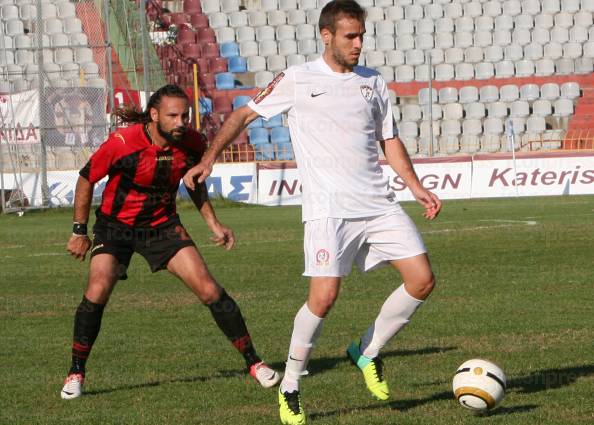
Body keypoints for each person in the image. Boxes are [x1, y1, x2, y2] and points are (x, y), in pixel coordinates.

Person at [183, 1, 442, 423]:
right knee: (323, 299)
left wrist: (415, 188)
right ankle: (290, 386)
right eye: (350, 37)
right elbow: (246, 114)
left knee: (422, 280)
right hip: (328, 211)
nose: (358, 44)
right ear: (327, 35)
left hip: (378, 204)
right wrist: (210, 158)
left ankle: (367, 350)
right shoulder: (297, 79)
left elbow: (388, 139)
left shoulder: (372, 82)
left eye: (361, 36)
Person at [61, 84, 280, 400]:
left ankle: (255, 363)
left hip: (162, 226)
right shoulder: (121, 143)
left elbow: (194, 182)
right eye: (173, 116)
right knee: (97, 290)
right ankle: (75, 372)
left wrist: (213, 223)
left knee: (209, 289)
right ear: (154, 115)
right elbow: (86, 178)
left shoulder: (192, 143)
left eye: (185, 115)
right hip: (116, 228)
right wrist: (79, 231)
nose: (181, 122)